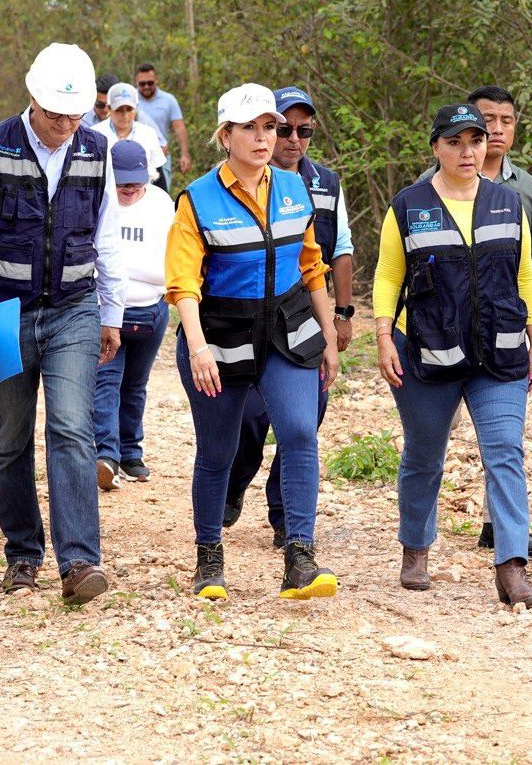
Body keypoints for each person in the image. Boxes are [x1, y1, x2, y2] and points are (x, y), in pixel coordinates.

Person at [0, 43, 124, 604]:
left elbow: (107, 237)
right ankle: (22, 555)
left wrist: (111, 314)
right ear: (32, 101)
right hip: (2, 314)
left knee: (71, 427)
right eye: (55, 114)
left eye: (75, 115)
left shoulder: (97, 151)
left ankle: (79, 562)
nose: (65, 126)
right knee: (11, 437)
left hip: (74, 309)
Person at [166, 82, 340, 601]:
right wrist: (198, 347)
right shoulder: (197, 199)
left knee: (300, 433)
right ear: (226, 136)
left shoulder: (294, 188)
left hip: (287, 331)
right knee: (219, 449)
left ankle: (300, 558)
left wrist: (330, 336)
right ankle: (209, 558)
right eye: (250, 128)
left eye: (270, 127)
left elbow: (312, 266)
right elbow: (183, 284)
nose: (265, 138)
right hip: (220, 337)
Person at [374, 103, 532, 606]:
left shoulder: (508, 203)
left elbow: (523, 275)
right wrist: (382, 337)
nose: (467, 151)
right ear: (436, 148)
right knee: (424, 453)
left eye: (475, 140)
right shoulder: (408, 206)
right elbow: (388, 275)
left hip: (499, 351)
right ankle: (415, 549)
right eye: (455, 142)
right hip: (427, 349)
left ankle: (512, 567)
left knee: (505, 452)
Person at [418, 84, 532, 552]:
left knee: (502, 437)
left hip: (502, 327)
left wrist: (530, 283)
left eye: (506, 121)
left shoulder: (528, 190)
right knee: (431, 442)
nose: (495, 130)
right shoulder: (426, 188)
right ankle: (418, 540)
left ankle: (501, 531)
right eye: (487, 121)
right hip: (440, 333)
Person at [222, 86, 354, 548]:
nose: (294, 139)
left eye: (305, 131)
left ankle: (286, 517)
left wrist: (342, 315)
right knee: (250, 416)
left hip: (305, 316)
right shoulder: (228, 185)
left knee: (304, 418)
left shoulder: (325, 184)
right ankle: (234, 481)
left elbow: (337, 250)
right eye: (285, 129)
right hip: (246, 318)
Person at [92, 140, 174, 490]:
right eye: (122, 181)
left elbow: (172, 252)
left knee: (136, 384)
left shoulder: (161, 203)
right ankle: (106, 455)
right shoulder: (99, 199)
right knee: (106, 381)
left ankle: (130, 452)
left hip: (152, 309)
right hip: (107, 309)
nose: (128, 188)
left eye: (135, 182)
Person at [91, 82, 168, 191]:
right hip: (106, 194)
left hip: (142, 194)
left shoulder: (147, 133)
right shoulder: (95, 134)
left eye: (129, 109)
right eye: (119, 110)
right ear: (108, 108)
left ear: (136, 108)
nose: (125, 115)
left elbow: (158, 174)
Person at [135, 62, 190, 180]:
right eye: (142, 83)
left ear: (156, 80)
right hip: (134, 159)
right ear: (136, 82)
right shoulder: (131, 100)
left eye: (150, 83)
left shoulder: (168, 100)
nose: (146, 86)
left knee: (161, 190)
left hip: (161, 156)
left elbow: (179, 127)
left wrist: (184, 155)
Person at [83, 72, 162, 136]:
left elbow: (162, 145)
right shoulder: (82, 119)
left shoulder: (140, 118)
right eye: (99, 104)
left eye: (116, 107)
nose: (105, 109)